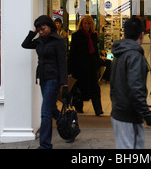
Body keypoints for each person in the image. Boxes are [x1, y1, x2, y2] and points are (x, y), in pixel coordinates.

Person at [21, 15, 68, 149]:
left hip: (54, 78)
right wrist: (33, 33)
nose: (41, 32)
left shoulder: (57, 41)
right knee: (51, 108)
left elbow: (62, 63)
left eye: (43, 29)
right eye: (39, 30)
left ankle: (45, 145)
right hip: (42, 77)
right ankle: (65, 126)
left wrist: (64, 84)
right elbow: (25, 44)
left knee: (45, 112)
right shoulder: (39, 40)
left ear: (50, 26)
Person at [110, 17, 151, 149]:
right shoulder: (135, 56)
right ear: (142, 35)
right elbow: (136, 89)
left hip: (119, 112)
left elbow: (113, 83)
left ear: (124, 34)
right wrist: (147, 114)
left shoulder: (119, 53)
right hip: (129, 116)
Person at [68, 15, 103, 116]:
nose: (86, 25)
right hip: (79, 67)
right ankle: (79, 108)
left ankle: (98, 109)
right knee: (79, 89)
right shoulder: (76, 36)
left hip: (91, 67)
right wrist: (70, 69)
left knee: (95, 89)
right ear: (81, 24)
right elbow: (72, 53)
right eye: (85, 23)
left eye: (88, 23)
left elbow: (96, 51)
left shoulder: (93, 35)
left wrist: (97, 64)